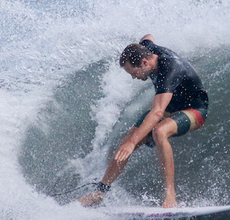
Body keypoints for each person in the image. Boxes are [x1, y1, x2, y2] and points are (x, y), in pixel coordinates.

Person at [79, 34, 208, 208]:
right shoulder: (148, 49)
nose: (133, 77)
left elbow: (158, 112)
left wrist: (133, 143)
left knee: (159, 131)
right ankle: (100, 193)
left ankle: (170, 196)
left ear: (145, 63)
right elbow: (147, 37)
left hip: (195, 110)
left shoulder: (169, 70)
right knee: (127, 140)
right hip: (171, 108)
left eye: (133, 72)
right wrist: (130, 141)